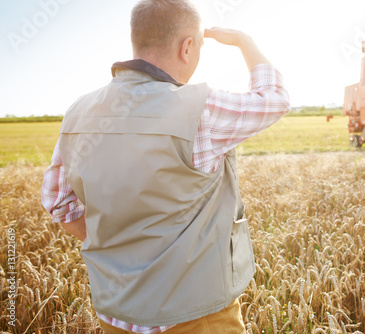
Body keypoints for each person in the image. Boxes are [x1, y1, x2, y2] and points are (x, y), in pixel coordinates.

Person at [40, 0, 290, 333]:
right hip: (198, 317)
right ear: (187, 48)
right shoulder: (202, 109)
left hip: (115, 313)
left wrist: (122, 250)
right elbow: (275, 98)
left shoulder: (78, 113)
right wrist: (245, 42)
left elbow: (58, 203)